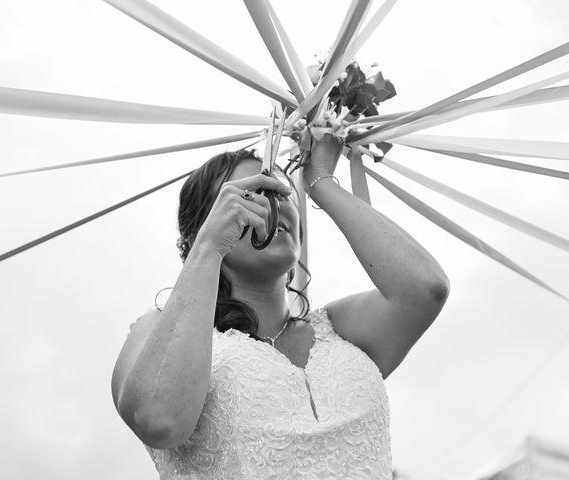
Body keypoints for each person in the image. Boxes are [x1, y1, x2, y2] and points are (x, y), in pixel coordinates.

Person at [111, 134, 450, 479]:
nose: (272, 204)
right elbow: (159, 421)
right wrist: (209, 247)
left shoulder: (339, 329)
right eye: (249, 195)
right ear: (203, 225)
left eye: (280, 192)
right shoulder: (156, 328)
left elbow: (426, 289)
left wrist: (319, 182)